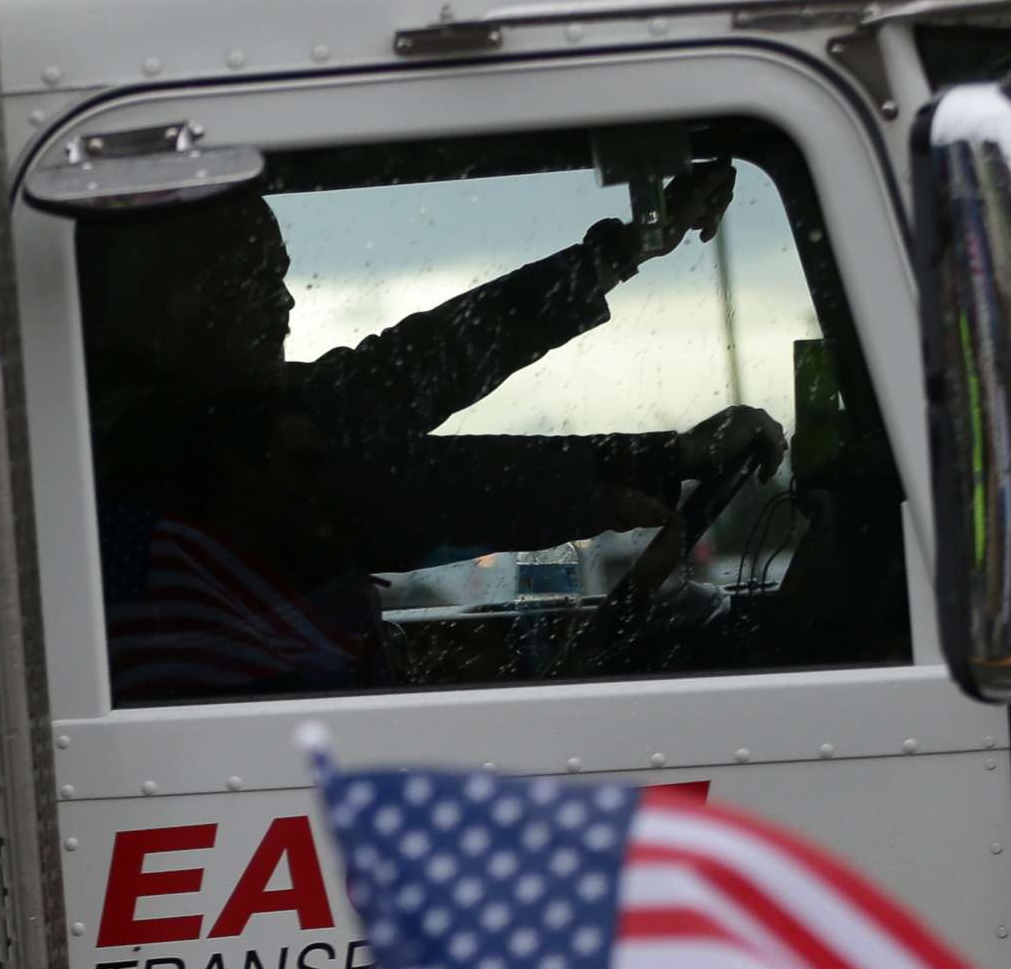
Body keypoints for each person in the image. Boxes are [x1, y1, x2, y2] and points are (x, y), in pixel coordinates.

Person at [80, 167, 785, 702]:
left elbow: (407, 372)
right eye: (254, 277)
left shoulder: (208, 419)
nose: (284, 302)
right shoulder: (165, 453)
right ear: (165, 303)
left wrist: (626, 248)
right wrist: (660, 459)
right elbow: (407, 488)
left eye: (283, 277)